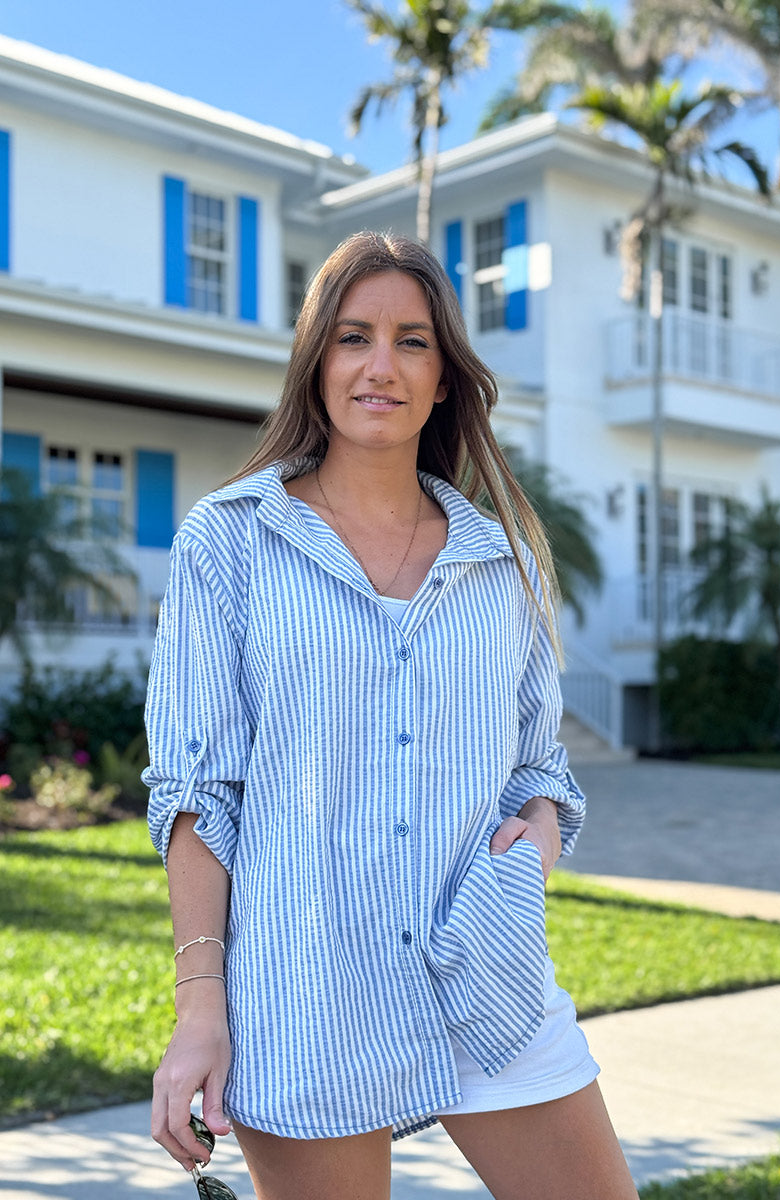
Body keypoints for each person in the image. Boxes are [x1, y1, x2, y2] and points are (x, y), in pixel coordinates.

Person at [144, 230, 639, 1200]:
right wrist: (200, 1004)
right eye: (352, 336)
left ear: (445, 374)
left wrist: (529, 848)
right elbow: (198, 790)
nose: (381, 366)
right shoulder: (230, 543)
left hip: (486, 978)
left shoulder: (502, 563)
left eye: (411, 341)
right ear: (314, 361)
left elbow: (538, 768)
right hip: (307, 992)